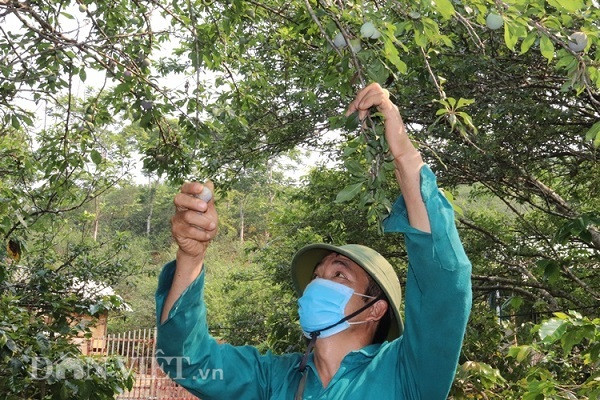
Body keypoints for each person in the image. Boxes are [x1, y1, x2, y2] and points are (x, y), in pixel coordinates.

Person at [155, 83, 472, 399]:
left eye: (338, 274)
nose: (317, 285)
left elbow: (444, 283)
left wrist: (402, 153)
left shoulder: (406, 374)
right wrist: (190, 255)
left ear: (375, 309)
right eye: (317, 276)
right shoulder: (272, 379)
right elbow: (186, 362)